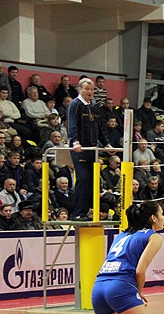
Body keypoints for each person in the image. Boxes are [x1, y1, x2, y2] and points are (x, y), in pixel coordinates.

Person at [67, 77, 108, 220]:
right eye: (86, 89)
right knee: (83, 178)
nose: (89, 92)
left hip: (92, 149)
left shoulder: (94, 106)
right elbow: (71, 124)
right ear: (80, 89)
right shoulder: (75, 104)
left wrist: (107, 144)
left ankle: (86, 211)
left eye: (91, 89)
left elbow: (99, 127)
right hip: (80, 149)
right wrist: (75, 141)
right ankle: (77, 213)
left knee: (91, 180)